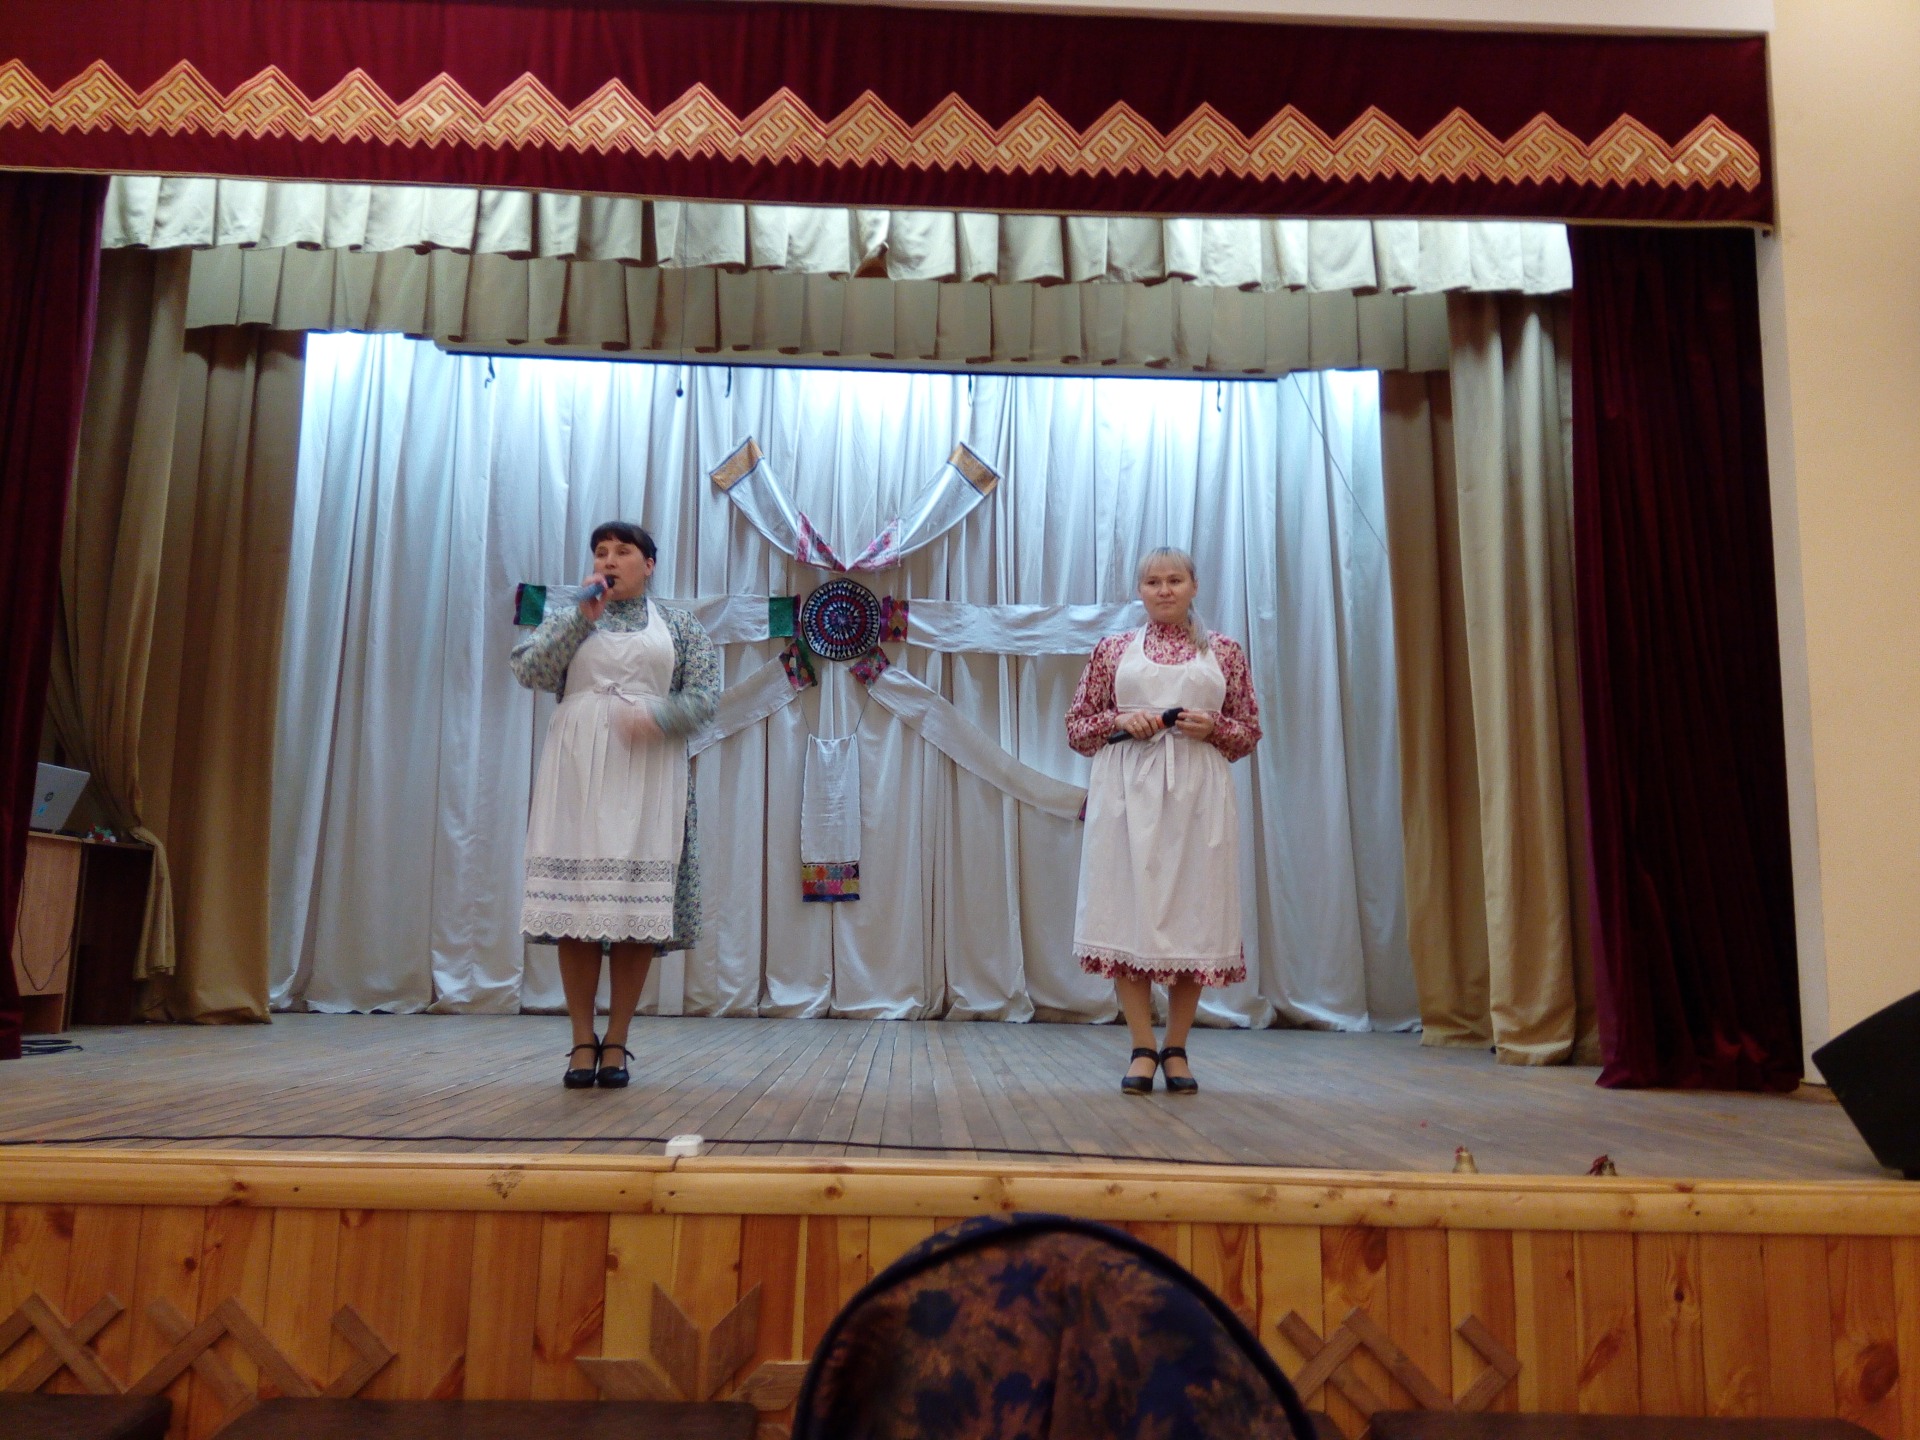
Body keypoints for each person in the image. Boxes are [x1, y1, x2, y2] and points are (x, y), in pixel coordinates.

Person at [510, 521, 718, 1088]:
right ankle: (582, 1039)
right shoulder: (571, 616)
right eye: (601, 551)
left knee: (633, 912)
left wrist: (658, 716)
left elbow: (705, 698)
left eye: (622, 552)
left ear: (648, 565)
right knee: (576, 911)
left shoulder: (679, 625)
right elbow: (529, 670)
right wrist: (581, 617)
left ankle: (618, 1040)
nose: (608, 560)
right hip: (577, 770)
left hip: (648, 770)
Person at [1065, 548, 1262, 1096]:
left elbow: (1249, 732)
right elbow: (1077, 728)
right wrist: (1123, 720)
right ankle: (1141, 1046)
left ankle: (1176, 1046)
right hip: (1128, 794)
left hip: (1198, 796)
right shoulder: (1112, 651)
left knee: (1193, 918)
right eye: (1153, 581)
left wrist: (1213, 729)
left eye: (1175, 580)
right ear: (1140, 590)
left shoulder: (1225, 651)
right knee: (1128, 914)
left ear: (1194, 586)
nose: (1164, 590)